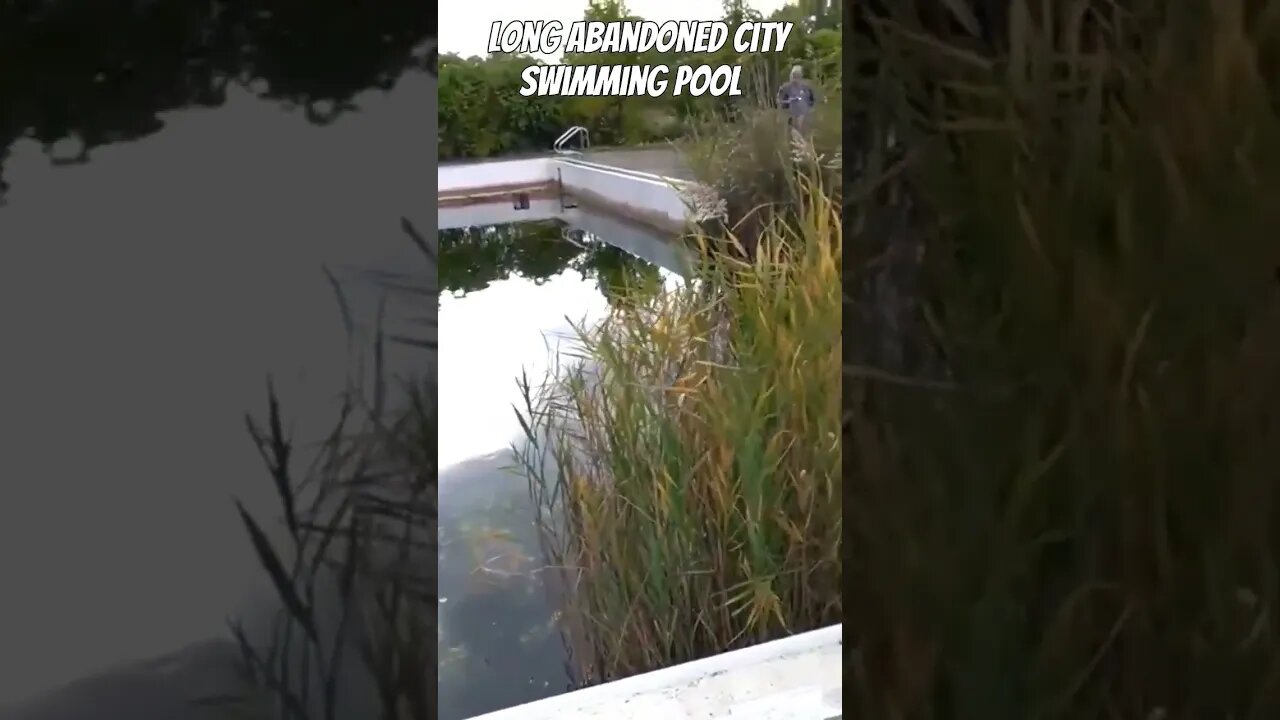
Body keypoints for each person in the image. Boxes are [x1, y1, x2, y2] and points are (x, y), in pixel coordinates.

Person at [777, 64, 817, 134]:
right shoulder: (785, 87)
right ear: (791, 76)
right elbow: (779, 101)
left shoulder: (807, 86)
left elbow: (812, 100)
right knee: (792, 130)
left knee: (801, 128)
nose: (796, 77)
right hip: (790, 113)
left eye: (798, 75)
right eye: (794, 75)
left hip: (803, 113)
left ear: (801, 76)